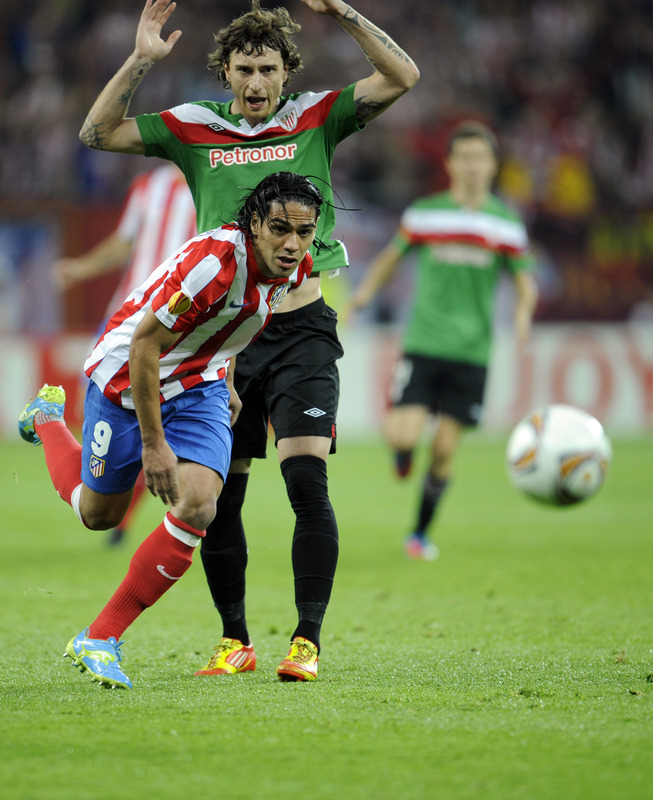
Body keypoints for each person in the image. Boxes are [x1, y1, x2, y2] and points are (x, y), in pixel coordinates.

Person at [78, 0, 419, 680]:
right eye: (244, 69)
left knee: (305, 477)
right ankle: (234, 640)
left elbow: (402, 75)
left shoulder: (314, 117)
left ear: (286, 71)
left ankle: (307, 642)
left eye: (268, 68)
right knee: (217, 494)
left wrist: (344, 13)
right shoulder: (195, 127)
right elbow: (95, 133)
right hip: (221, 338)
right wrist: (142, 59)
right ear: (225, 72)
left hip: (302, 327)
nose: (256, 83)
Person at [18, 172, 322, 689]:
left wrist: (222, 375)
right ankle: (47, 420)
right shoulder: (213, 265)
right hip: (127, 376)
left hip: (199, 384)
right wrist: (155, 446)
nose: (292, 244)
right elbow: (144, 347)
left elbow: (232, 325)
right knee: (99, 516)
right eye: (279, 229)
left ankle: (101, 636)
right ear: (254, 223)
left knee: (201, 503)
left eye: (305, 232)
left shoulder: (294, 269)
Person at [346, 121, 539, 561]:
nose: (472, 166)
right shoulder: (425, 214)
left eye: (480, 158)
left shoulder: (506, 223)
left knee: (446, 451)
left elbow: (525, 280)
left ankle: (418, 534)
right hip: (423, 343)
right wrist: (362, 295)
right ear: (450, 163)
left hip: (472, 351)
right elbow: (390, 260)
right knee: (402, 436)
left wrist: (524, 310)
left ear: (493, 166)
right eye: (464, 157)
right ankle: (401, 454)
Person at [53, 163, 197, 546]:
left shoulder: (215, 181)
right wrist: (81, 268)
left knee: (158, 423)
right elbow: (123, 242)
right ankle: (103, 497)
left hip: (178, 322)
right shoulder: (149, 185)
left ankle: (120, 515)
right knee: (102, 415)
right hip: (126, 315)